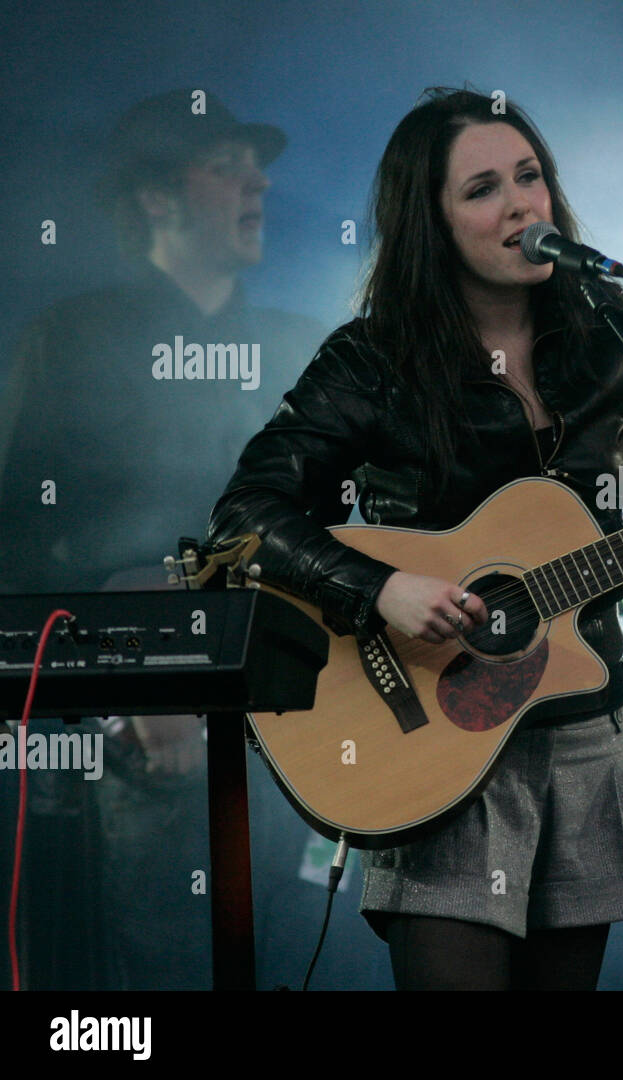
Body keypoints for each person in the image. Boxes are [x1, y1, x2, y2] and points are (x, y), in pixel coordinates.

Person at [205, 86, 623, 990]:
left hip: (580, 726)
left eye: (531, 177)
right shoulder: (372, 362)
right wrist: (381, 588)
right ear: (432, 224)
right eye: (484, 189)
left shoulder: (608, 340)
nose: (522, 204)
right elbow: (246, 516)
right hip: (429, 731)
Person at [0, 89, 324, 989]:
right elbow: (21, 539)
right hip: (142, 752)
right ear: (155, 198)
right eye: (225, 164)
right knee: (161, 967)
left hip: (302, 730)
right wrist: (135, 669)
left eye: (255, 165)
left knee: (302, 957)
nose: (257, 179)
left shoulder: (303, 347)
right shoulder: (72, 338)